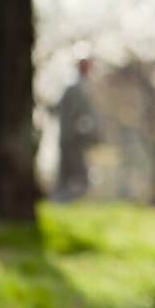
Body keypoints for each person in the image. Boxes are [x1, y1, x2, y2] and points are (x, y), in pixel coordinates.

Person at [53, 56, 101, 202]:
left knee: (72, 175)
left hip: (75, 138)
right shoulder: (74, 87)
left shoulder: (84, 86)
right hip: (72, 139)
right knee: (75, 175)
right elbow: (66, 112)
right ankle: (61, 202)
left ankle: (62, 201)